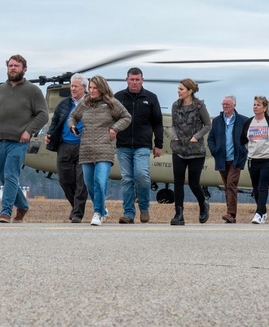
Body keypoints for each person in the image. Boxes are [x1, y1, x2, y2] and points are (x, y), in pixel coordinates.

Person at [0, 54, 48, 223]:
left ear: (24, 69)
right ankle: (23, 205)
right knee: (3, 177)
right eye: (10, 65)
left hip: (19, 142)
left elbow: (43, 115)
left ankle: (5, 212)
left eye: (16, 66)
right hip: (0, 141)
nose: (12, 68)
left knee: (11, 175)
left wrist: (29, 131)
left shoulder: (33, 91)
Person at [68, 76, 132, 226]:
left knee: (100, 181)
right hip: (86, 149)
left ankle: (97, 213)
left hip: (104, 148)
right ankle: (102, 208)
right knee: (89, 183)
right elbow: (73, 116)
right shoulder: (84, 103)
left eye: (95, 88)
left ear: (102, 88)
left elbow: (126, 117)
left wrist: (114, 128)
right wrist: (72, 126)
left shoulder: (111, 103)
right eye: (90, 88)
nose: (92, 91)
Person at [114, 67, 164, 224]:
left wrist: (158, 144)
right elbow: (111, 119)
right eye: (132, 79)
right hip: (123, 145)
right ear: (127, 80)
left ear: (142, 80)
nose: (134, 82)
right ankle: (128, 213)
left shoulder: (151, 98)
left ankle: (144, 207)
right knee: (127, 179)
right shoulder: (118, 98)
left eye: (137, 79)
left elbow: (158, 123)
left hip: (142, 145)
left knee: (142, 176)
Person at [46, 74, 89, 223]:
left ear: (84, 88)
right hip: (64, 145)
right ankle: (75, 206)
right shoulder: (64, 104)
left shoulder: (92, 104)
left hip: (84, 146)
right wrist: (49, 134)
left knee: (81, 182)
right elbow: (55, 122)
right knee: (65, 180)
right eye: (72, 86)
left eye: (76, 86)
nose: (73, 89)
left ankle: (77, 213)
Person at [169, 79, 212, 226]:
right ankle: (179, 214)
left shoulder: (199, 105)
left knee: (194, 183)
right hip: (179, 149)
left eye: (181, 89)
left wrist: (196, 136)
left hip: (196, 151)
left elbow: (208, 125)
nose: (178, 91)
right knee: (178, 182)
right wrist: (174, 136)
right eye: (178, 89)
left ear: (190, 91)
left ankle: (203, 204)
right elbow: (173, 125)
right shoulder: (175, 105)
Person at [240, 96, 269, 225]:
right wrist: (251, 150)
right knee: (255, 189)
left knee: (262, 187)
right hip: (253, 160)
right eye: (254, 104)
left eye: (258, 105)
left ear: (265, 108)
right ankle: (263, 211)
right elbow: (243, 141)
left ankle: (258, 214)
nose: (255, 107)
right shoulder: (248, 123)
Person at [208, 95, 249, 223]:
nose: (225, 106)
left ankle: (230, 214)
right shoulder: (217, 121)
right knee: (227, 186)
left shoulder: (243, 121)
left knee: (231, 184)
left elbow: (248, 139)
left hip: (236, 159)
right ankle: (232, 216)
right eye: (223, 104)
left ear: (234, 106)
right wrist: (215, 151)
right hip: (222, 159)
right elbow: (211, 138)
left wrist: (244, 151)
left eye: (227, 104)